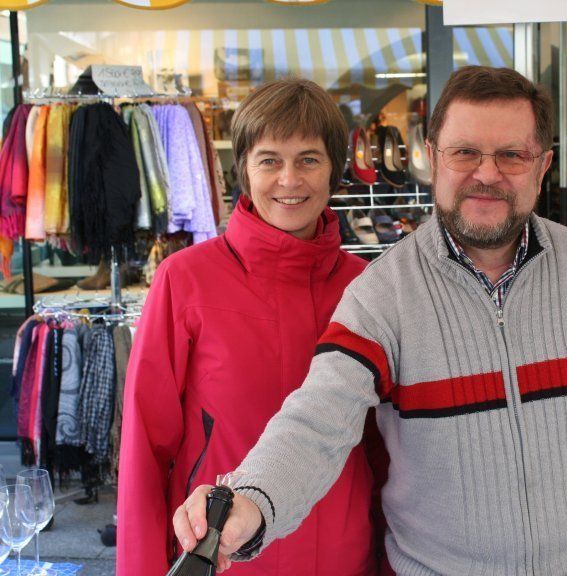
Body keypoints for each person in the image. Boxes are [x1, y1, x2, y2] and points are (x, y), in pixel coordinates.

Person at [173, 65, 567, 576]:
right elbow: (316, 423)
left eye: (511, 155)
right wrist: (249, 502)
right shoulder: (380, 295)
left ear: (543, 165)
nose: (486, 174)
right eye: (465, 152)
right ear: (432, 157)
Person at [116, 79, 379, 576]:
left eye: (308, 159)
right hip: (220, 558)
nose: (289, 179)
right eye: (269, 160)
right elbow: (146, 447)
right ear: (244, 168)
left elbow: (387, 448)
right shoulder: (186, 280)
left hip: (343, 554)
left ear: (333, 170)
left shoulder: (368, 287)